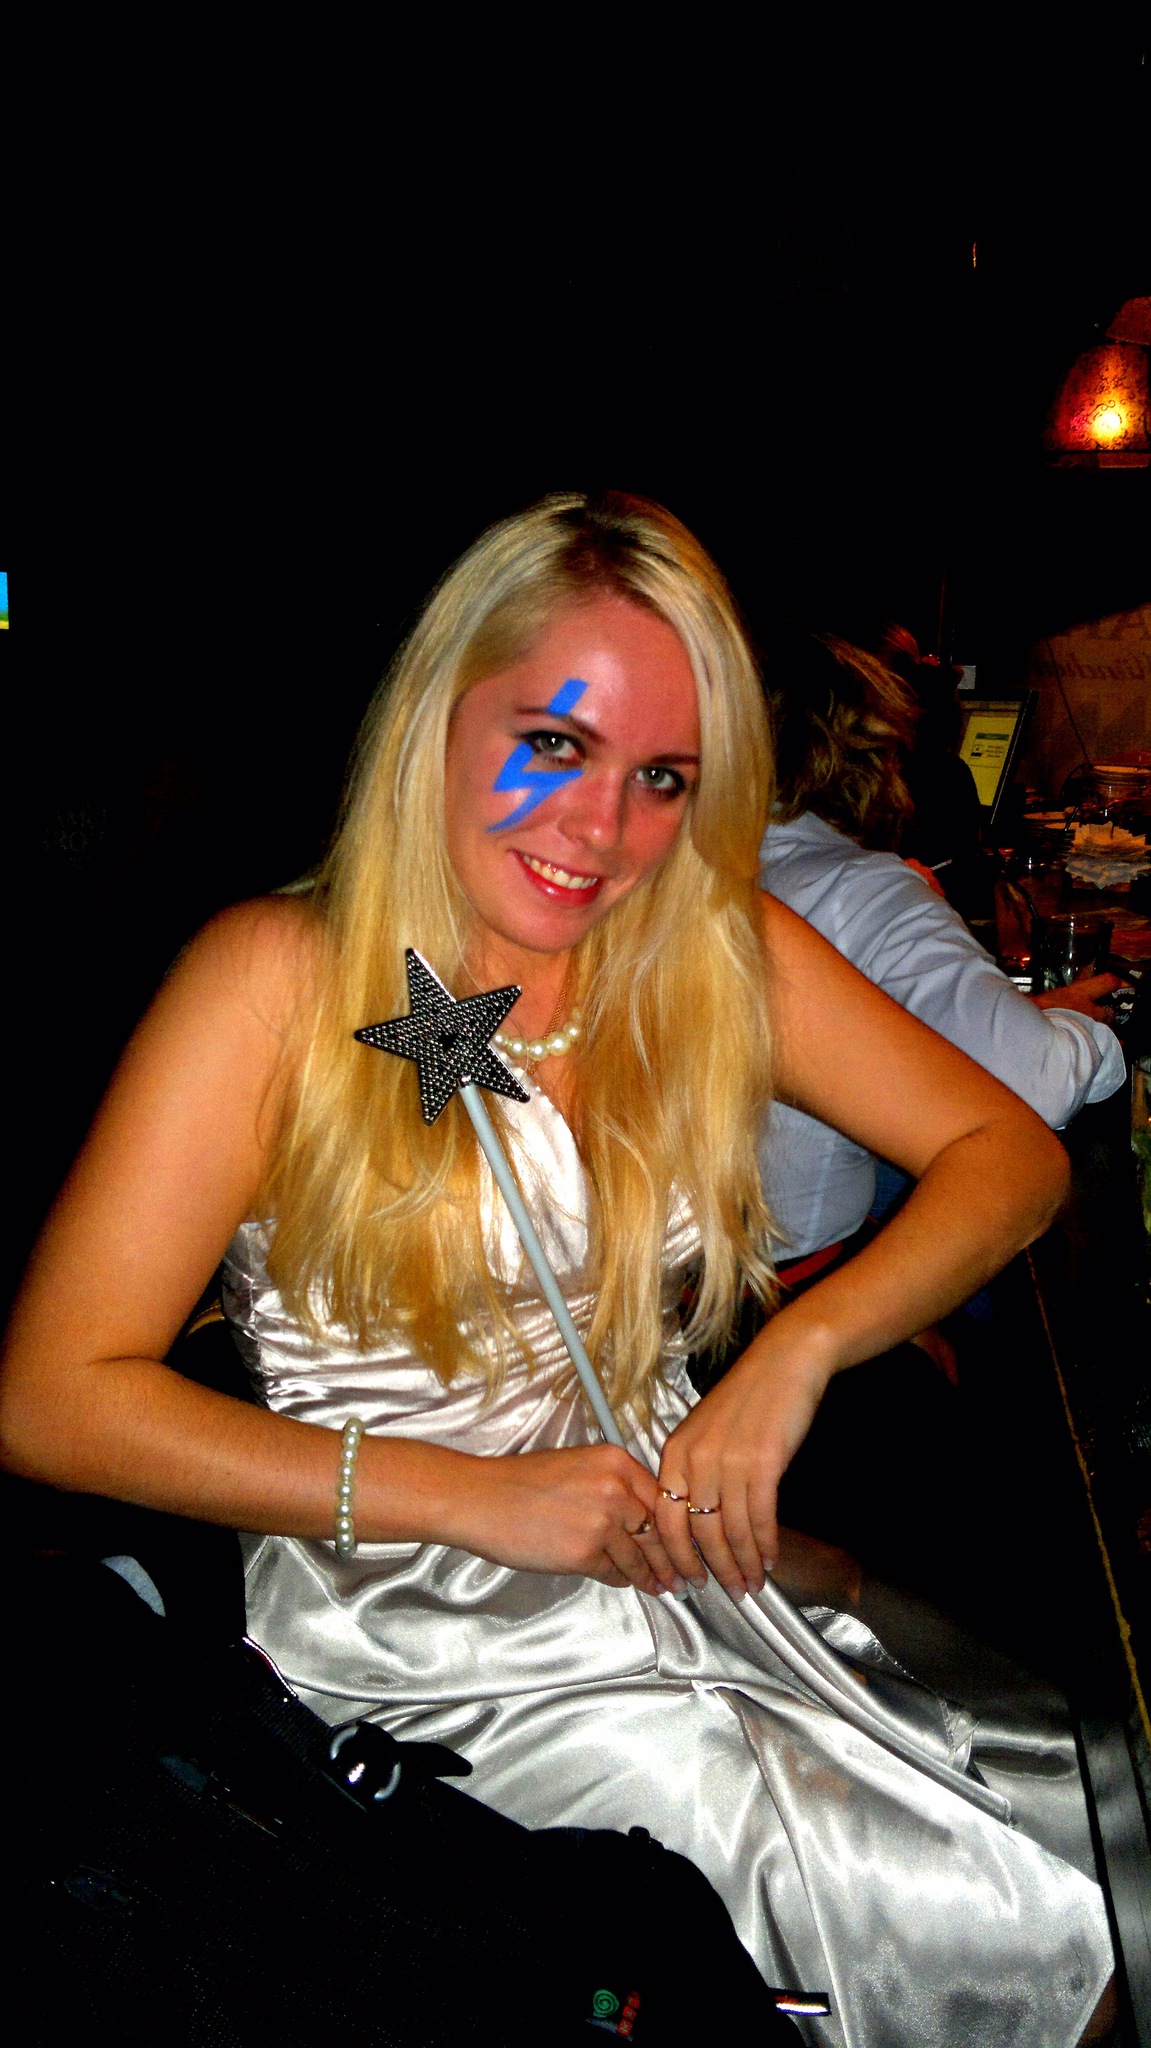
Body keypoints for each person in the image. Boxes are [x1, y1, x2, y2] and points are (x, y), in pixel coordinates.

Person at [0, 495, 1114, 2047]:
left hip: (665, 1563)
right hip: (410, 1620)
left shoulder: (702, 946)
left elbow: (1009, 1158)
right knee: (974, 1917)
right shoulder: (278, 980)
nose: (599, 830)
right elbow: (52, 1402)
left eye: (662, 776)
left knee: (1068, 1796)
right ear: (441, 712)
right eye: (552, 743)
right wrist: (476, 1500)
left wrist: (792, 1358)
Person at [758, 631, 1126, 1269]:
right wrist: (1095, 1037)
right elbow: (1036, 1086)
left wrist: (1020, 1017)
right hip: (789, 1278)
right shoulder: (856, 887)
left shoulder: (690, 863)